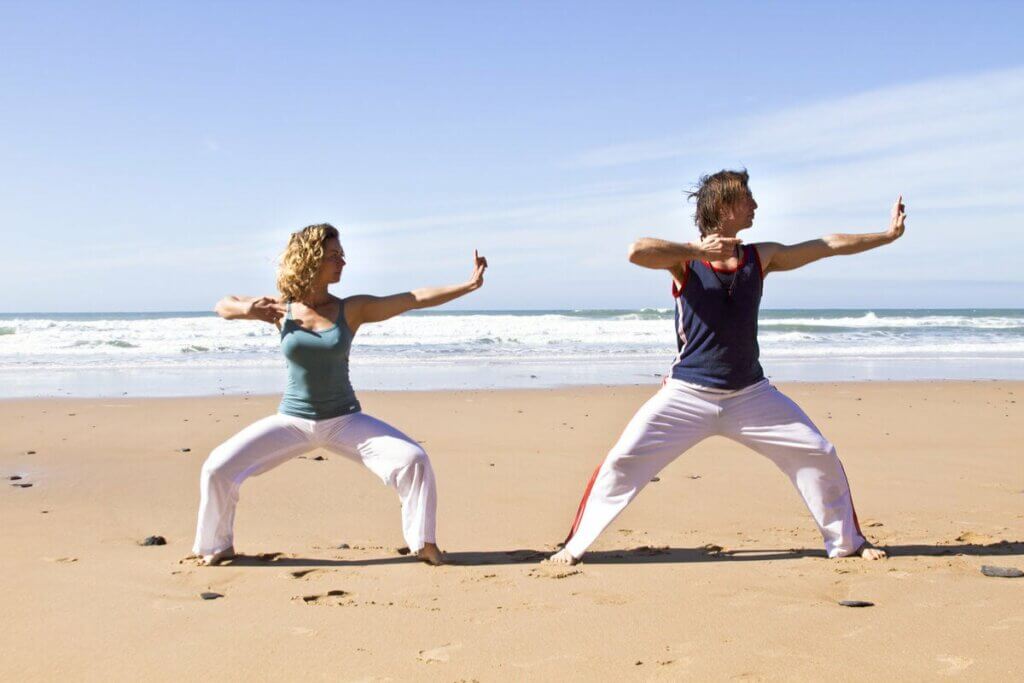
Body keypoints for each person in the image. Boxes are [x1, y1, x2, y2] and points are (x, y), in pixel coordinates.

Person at [549, 170, 904, 565]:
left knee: (819, 453)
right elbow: (637, 251)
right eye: (747, 198)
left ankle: (847, 543)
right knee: (621, 461)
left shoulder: (761, 256)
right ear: (725, 206)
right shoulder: (684, 260)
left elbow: (827, 246)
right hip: (687, 394)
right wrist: (698, 252)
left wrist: (886, 236)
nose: (755, 205)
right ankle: (573, 546)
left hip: (751, 395)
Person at [191, 223, 488, 566]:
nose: (342, 261)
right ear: (311, 258)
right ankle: (217, 545)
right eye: (334, 255)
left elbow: (413, 299)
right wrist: (248, 310)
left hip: (345, 419)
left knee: (414, 460)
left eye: (342, 254)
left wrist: (468, 285)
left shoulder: (352, 309)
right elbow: (222, 305)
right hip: (292, 421)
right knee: (217, 468)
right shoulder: (280, 308)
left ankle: (423, 543)